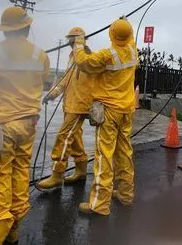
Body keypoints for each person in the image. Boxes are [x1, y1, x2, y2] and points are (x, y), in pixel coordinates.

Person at [0, 6, 50, 245]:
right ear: (27, 26)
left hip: (0, 126)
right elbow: (41, 79)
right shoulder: (40, 55)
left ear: (4, 30)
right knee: (19, 175)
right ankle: (11, 231)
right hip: (27, 124)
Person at [71, 17, 138, 216]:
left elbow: (82, 62)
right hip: (126, 110)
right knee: (124, 152)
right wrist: (124, 24)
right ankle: (126, 194)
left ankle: (99, 204)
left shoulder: (106, 55)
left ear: (111, 34)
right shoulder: (134, 51)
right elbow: (129, 36)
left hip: (109, 111)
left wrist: (78, 43)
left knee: (104, 156)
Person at [36, 27, 97, 190]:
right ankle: (81, 169)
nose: (69, 42)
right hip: (70, 103)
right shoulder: (72, 57)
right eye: (69, 39)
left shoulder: (87, 56)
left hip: (80, 105)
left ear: (78, 40)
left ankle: (57, 174)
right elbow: (65, 79)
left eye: (72, 39)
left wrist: (80, 48)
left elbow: (89, 71)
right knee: (74, 136)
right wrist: (53, 93)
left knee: (64, 136)